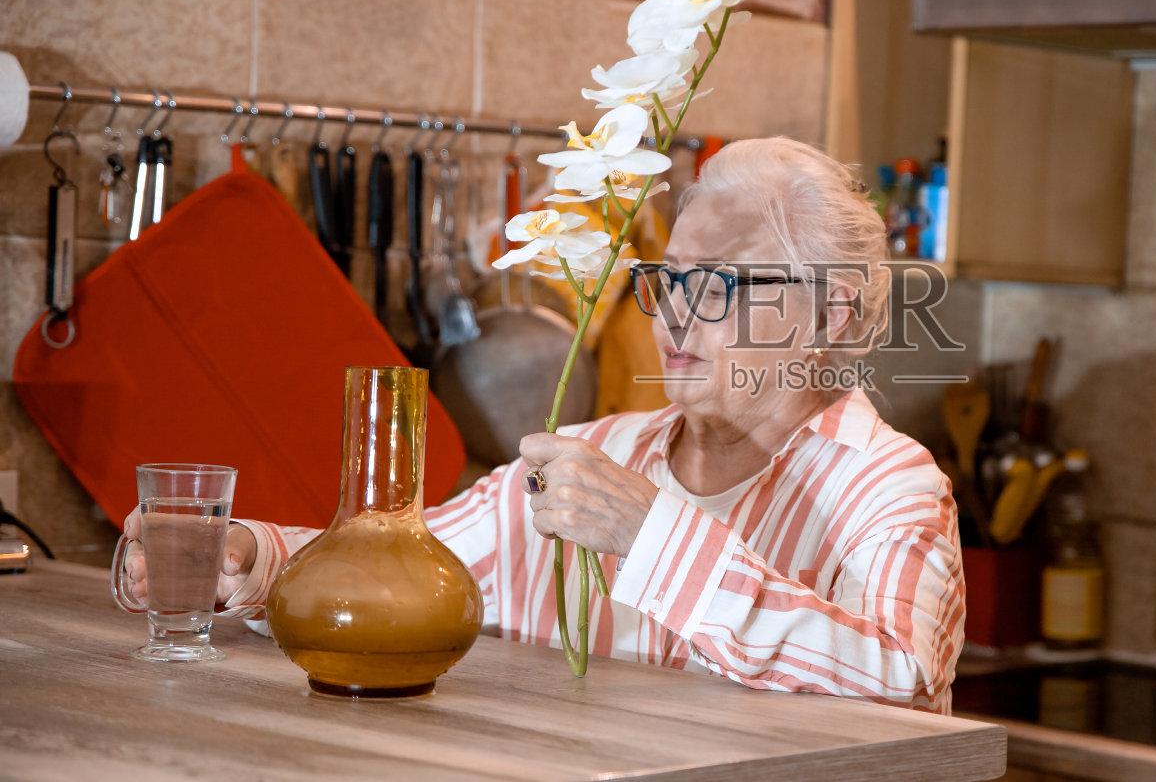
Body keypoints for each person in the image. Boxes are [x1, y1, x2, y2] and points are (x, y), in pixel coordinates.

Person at [118, 137, 966, 712]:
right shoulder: (599, 453)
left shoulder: (891, 487)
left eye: (721, 285)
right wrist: (249, 558)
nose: (674, 315)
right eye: (667, 279)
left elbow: (899, 685)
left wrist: (649, 531)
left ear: (831, 311)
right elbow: (401, 568)